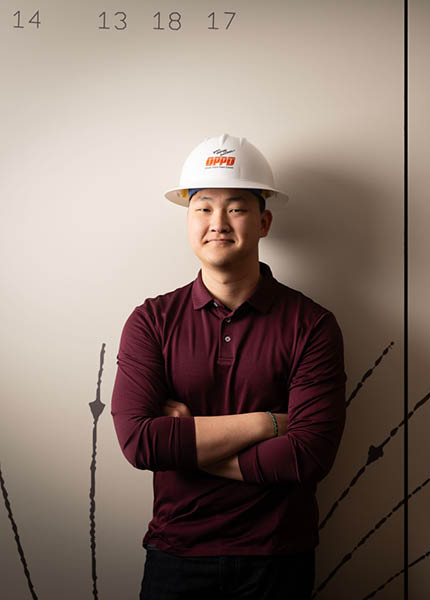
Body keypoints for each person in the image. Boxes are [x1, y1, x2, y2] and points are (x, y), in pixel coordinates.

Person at [111, 133, 346, 599]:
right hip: (176, 553)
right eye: (202, 208)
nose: (218, 222)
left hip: (278, 558)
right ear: (188, 219)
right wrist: (269, 424)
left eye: (236, 207)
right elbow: (140, 443)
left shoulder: (312, 325)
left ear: (264, 221)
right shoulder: (151, 321)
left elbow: (307, 455)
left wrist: (186, 443)